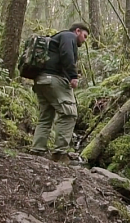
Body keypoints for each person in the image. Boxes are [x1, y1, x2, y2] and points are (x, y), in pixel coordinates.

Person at [30, 23, 89, 162]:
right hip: (54, 80)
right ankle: (59, 154)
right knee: (69, 113)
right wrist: (73, 76)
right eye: (84, 36)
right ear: (77, 31)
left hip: (41, 80)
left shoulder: (56, 38)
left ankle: (37, 151)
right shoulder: (69, 36)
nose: (84, 40)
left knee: (46, 117)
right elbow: (66, 53)